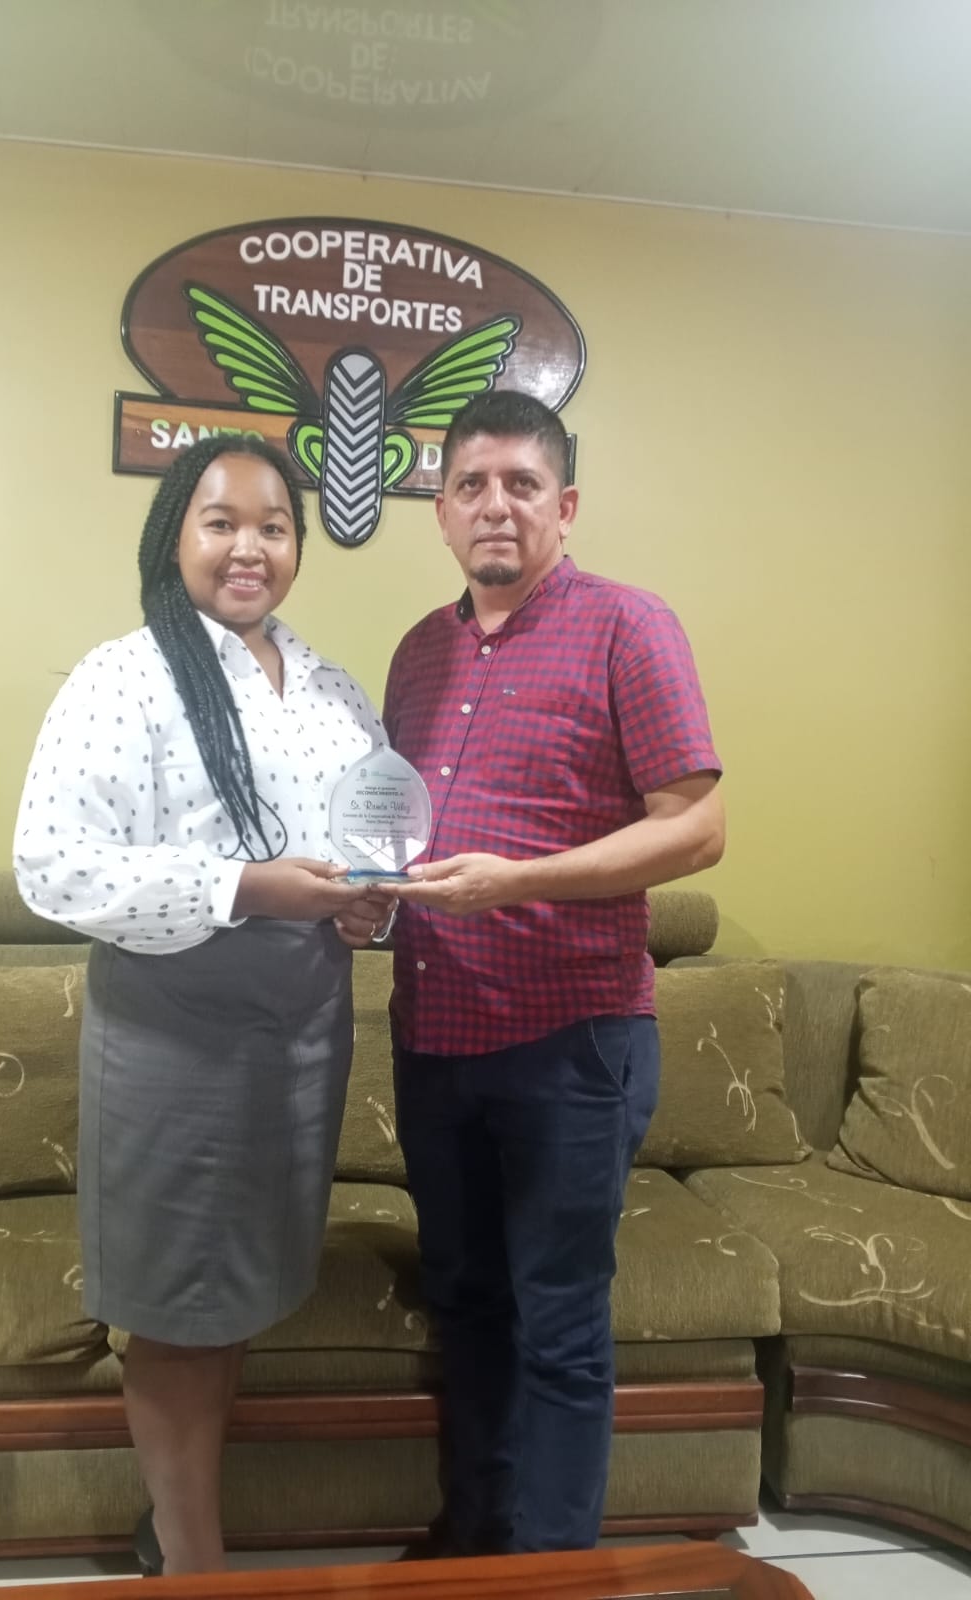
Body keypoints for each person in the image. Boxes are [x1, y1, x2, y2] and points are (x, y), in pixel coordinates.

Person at [13, 436, 392, 1574]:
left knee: (235, 1296)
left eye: (273, 525)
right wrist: (247, 887)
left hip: (302, 1038)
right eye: (220, 521)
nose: (248, 547)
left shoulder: (330, 688)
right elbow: (52, 864)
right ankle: (195, 1568)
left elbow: (375, 843)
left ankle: (178, 1525)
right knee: (179, 1307)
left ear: (298, 545)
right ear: (174, 534)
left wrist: (371, 910)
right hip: (173, 1039)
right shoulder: (124, 677)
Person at [384, 391, 724, 1555]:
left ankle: (553, 1570)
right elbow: (402, 835)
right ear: (441, 510)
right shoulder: (418, 652)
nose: (497, 505)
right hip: (434, 1036)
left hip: (572, 1042)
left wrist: (519, 880)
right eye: (471, 484)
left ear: (564, 506)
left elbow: (697, 827)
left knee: (559, 1322)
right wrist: (369, 898)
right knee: (466, 1302)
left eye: (522, 484)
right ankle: (477, 1546)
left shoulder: (630, 625)